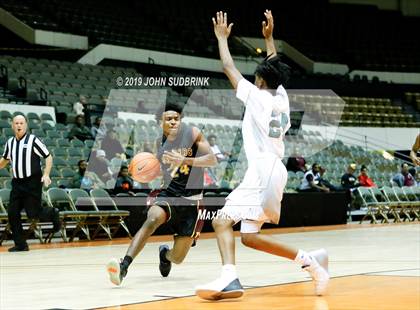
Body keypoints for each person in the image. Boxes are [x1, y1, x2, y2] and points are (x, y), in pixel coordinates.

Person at [195, 11, 329, 300]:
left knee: (220, 221)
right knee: (250, 237)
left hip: (263, 170)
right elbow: (275, 69)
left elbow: (229, 68)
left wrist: (221, 39)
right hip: (274, 170)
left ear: (258, 80)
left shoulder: (257, 96)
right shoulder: (281, 98)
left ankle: (229, 278)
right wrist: (269, 40)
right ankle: (310, 260)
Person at [106, 102, 217, 286]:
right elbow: (161, 170)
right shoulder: (160, 143)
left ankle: (164, 254)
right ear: (160, 123)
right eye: (169, 119)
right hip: (170, 195)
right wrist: (146, 171)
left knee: (178, 258)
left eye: (176, 118)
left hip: (193, 202)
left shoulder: (192, 133)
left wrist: (185, 160)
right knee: (152, 219)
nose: (174, 121)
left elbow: (212, 160)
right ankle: (123, 266)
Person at [0, 114, 60, 252]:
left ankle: (53, 213)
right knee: (12, 213)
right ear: (12, 126)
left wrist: (46, 174)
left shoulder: (33, 140)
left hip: (32, 182)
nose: (19, 125)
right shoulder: (10, 143)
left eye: (21, 123)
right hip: (17, 183)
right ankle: (21, 244)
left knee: (33, 213)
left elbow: (48, 156)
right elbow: (4, 161)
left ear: (26, 125)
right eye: (16, 123)